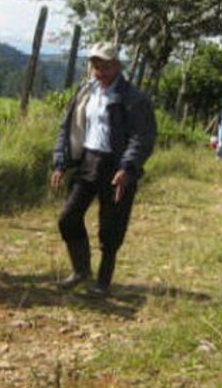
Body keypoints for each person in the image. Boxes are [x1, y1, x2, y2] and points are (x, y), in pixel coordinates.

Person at [50, 41, 156, 298]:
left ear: (117, 66)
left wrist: (128, 167)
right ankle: (81, 270)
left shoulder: (134, 98)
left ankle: (103, 282)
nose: (100, 71)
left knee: (111, 228)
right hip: (87, 161)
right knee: (68, 218)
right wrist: (61, 161)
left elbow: (142, 137)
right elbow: (68, 128)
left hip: (117, 167)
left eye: (106, 66)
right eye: (96, 65)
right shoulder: (86, 91)